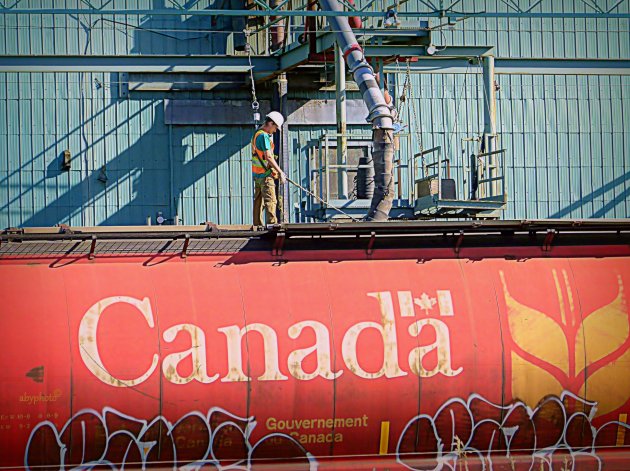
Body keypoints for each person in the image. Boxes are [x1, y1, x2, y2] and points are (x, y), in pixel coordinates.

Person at [252, 111, 286, 226]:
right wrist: (280, 172)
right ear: (270, 123)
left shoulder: (256, 134)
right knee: (271, 201)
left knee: (258, 202)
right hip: (265, 176)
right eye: (275, 127)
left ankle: (257, 226)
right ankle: (272, 225)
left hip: (257, 175)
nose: (275, 130)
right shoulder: (264, 136)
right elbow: (268, 157)